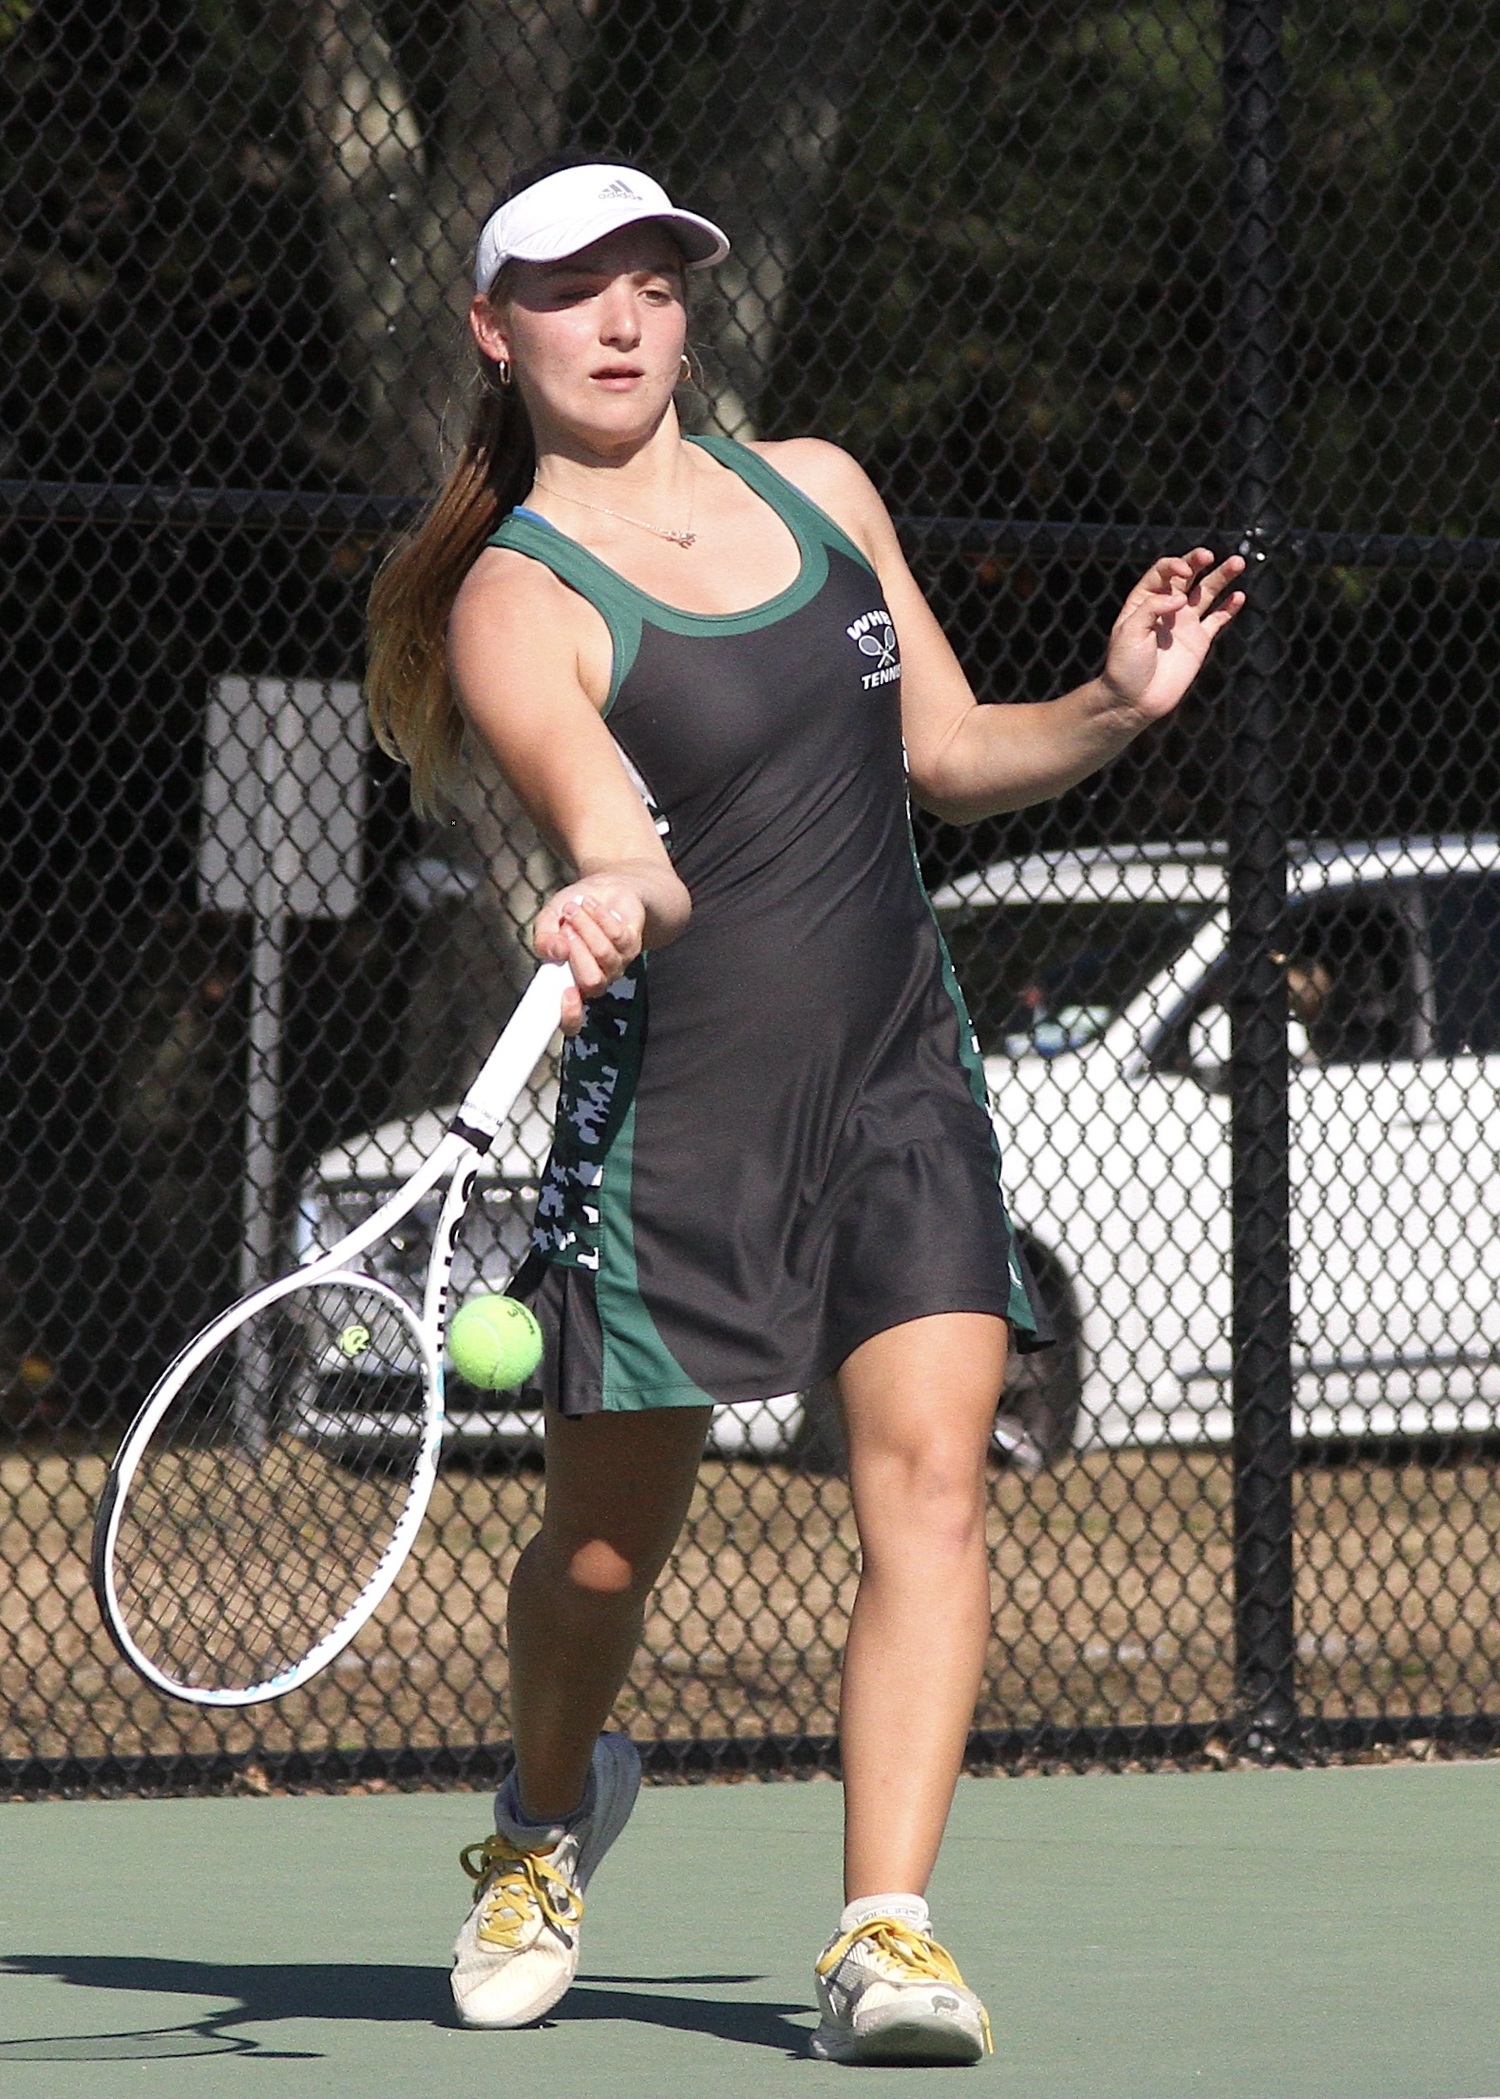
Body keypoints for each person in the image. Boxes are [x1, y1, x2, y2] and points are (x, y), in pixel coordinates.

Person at [366, 154, 1243, 2066]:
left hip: (898, 1089)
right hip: (672, 1130)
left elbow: (943, 756)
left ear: (689, 309)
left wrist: (1105, 707)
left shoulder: (822, 490)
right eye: (572, 288)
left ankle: (886, 1934)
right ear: (491, 329)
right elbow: (629, 844)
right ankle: (539, 1822)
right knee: (605, 1556)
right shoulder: (519, 602)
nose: (619, 319)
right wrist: (612, 886)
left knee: (928, 1482)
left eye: (652, 284)